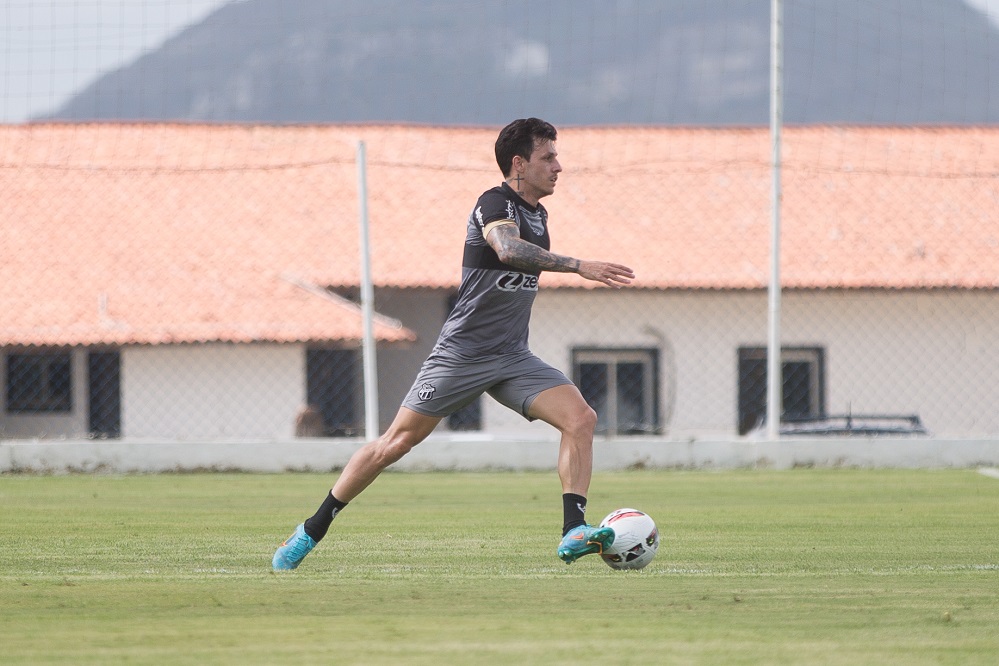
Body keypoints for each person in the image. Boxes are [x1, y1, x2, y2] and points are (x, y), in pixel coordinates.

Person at [273, 117, 635, 570]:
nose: (558, 167)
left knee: (581, 418)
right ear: (519, 164)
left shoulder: (539, 216)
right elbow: (507, 249)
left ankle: (573, 531)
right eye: (548, 157)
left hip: (512, 357)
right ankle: (311, 530)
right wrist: (579, 265)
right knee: (395, 444)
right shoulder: (493, 203)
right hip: (461, 355)